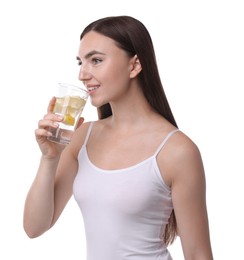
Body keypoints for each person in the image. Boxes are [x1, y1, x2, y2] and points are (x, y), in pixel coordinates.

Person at [23, 15, 213, 260]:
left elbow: (198, 254)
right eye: (81, 62)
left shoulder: (177, 151)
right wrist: (50, 158)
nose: (82, 74)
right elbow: (34, 227)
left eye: (96, 60)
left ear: (134, 66)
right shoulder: (82, 137)